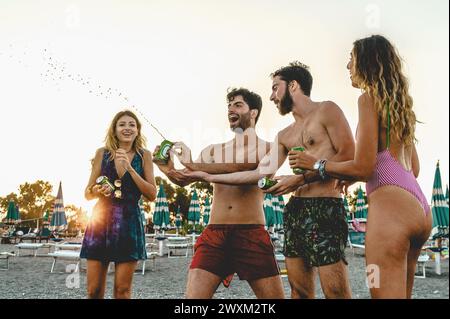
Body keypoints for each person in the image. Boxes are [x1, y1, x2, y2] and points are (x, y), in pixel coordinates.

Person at [185, 62, 355, 299]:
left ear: (293, 85)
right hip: (296, 211)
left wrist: (300, 178)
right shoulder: (284, 135)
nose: (272, 96)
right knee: (300, 292)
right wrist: (207, 175)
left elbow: (349, 155)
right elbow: (259, 173)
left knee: (336, 292)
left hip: (325, 206)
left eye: (276, 88)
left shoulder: (327, 110)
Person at [289, 35, 432, 298]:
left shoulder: (368, 99)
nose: (347, 66)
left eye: (351, 59)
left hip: (391, 216)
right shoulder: (401, 107)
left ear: (367, 62)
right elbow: (413, 167)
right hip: (419, 210)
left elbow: (365, 167)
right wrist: (349, 174)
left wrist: (318, 164)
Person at [154, 88, 285, 299]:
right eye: (229, 106)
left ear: (254, 113)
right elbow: (184, 178)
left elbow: (249, 170)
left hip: (251, 232)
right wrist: (167, 169)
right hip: (215, 233)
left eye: (238, 105)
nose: (231, 109)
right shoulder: (213, 151)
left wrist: (195, 165)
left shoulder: (269, 148)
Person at [80, 110, 157, 299]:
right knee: (94, 291)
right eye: (122, 124)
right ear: (114, 129)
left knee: (122, 291)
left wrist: (130, 169)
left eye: (132, 125)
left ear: (138, 131)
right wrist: (97, 190)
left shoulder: (144, 155)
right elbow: (87, 193)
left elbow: (152, 194)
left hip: (129, 223)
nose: (127, 128)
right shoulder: (103, 153)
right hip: (100, 223)